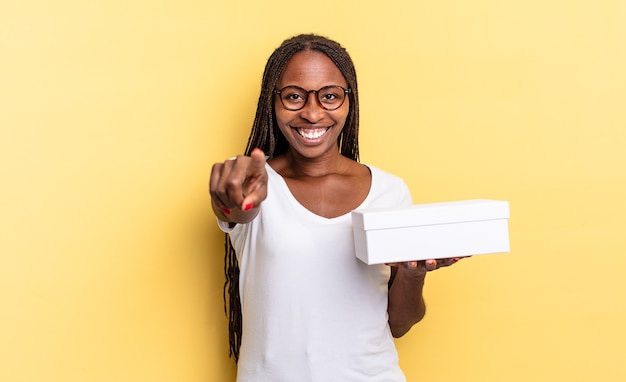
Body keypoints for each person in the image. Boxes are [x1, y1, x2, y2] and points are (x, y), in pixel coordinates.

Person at [210, 33, 462, 382]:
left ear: (348, 102)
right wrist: (232, 203)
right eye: (294, 97)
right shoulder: (252, 183)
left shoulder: (389, 192)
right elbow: (237, 209)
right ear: (274, 102)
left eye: (329, 96)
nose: (313, 113)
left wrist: (414, 273)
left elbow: (400, 324)